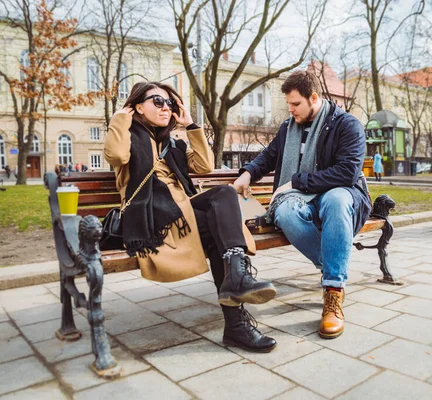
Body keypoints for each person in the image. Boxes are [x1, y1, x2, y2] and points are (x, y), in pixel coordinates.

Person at [104, 81, 277, 352]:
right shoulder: (126, 136)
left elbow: (204, 165)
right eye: (157, 102)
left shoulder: (172, 144)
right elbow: (115, 156)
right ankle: (236, 322)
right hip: (153, 216)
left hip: (183, 210)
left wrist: (192, 126)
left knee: (225, 195)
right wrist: (120, 118)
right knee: (221, 231)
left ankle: (236, 285)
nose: (166, 108)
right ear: (137, 106)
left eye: (170, 104)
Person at [233, 71, 371, 339]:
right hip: (302, 200)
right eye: (289, 104)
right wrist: (248, 173)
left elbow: (346, 174)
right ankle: (334, 264)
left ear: (314, 98)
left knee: (335, 198)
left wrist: (296, 182)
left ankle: (333, 293)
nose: (291, 110)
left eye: (296, 104)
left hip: (343, 193)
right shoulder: (288, 128)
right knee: (283, 210)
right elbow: (269, 156)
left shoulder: (347, 125)